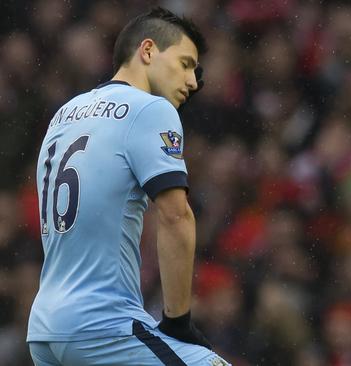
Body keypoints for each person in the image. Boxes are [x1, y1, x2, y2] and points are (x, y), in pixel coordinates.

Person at [28, 7, 229, 366]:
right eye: (185, 64)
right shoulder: (149, 109)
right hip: (102, 325)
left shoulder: (64, 114)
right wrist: (178, 321)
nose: (194, 82)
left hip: (44, 328)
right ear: (147, 51)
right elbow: (175, 216)